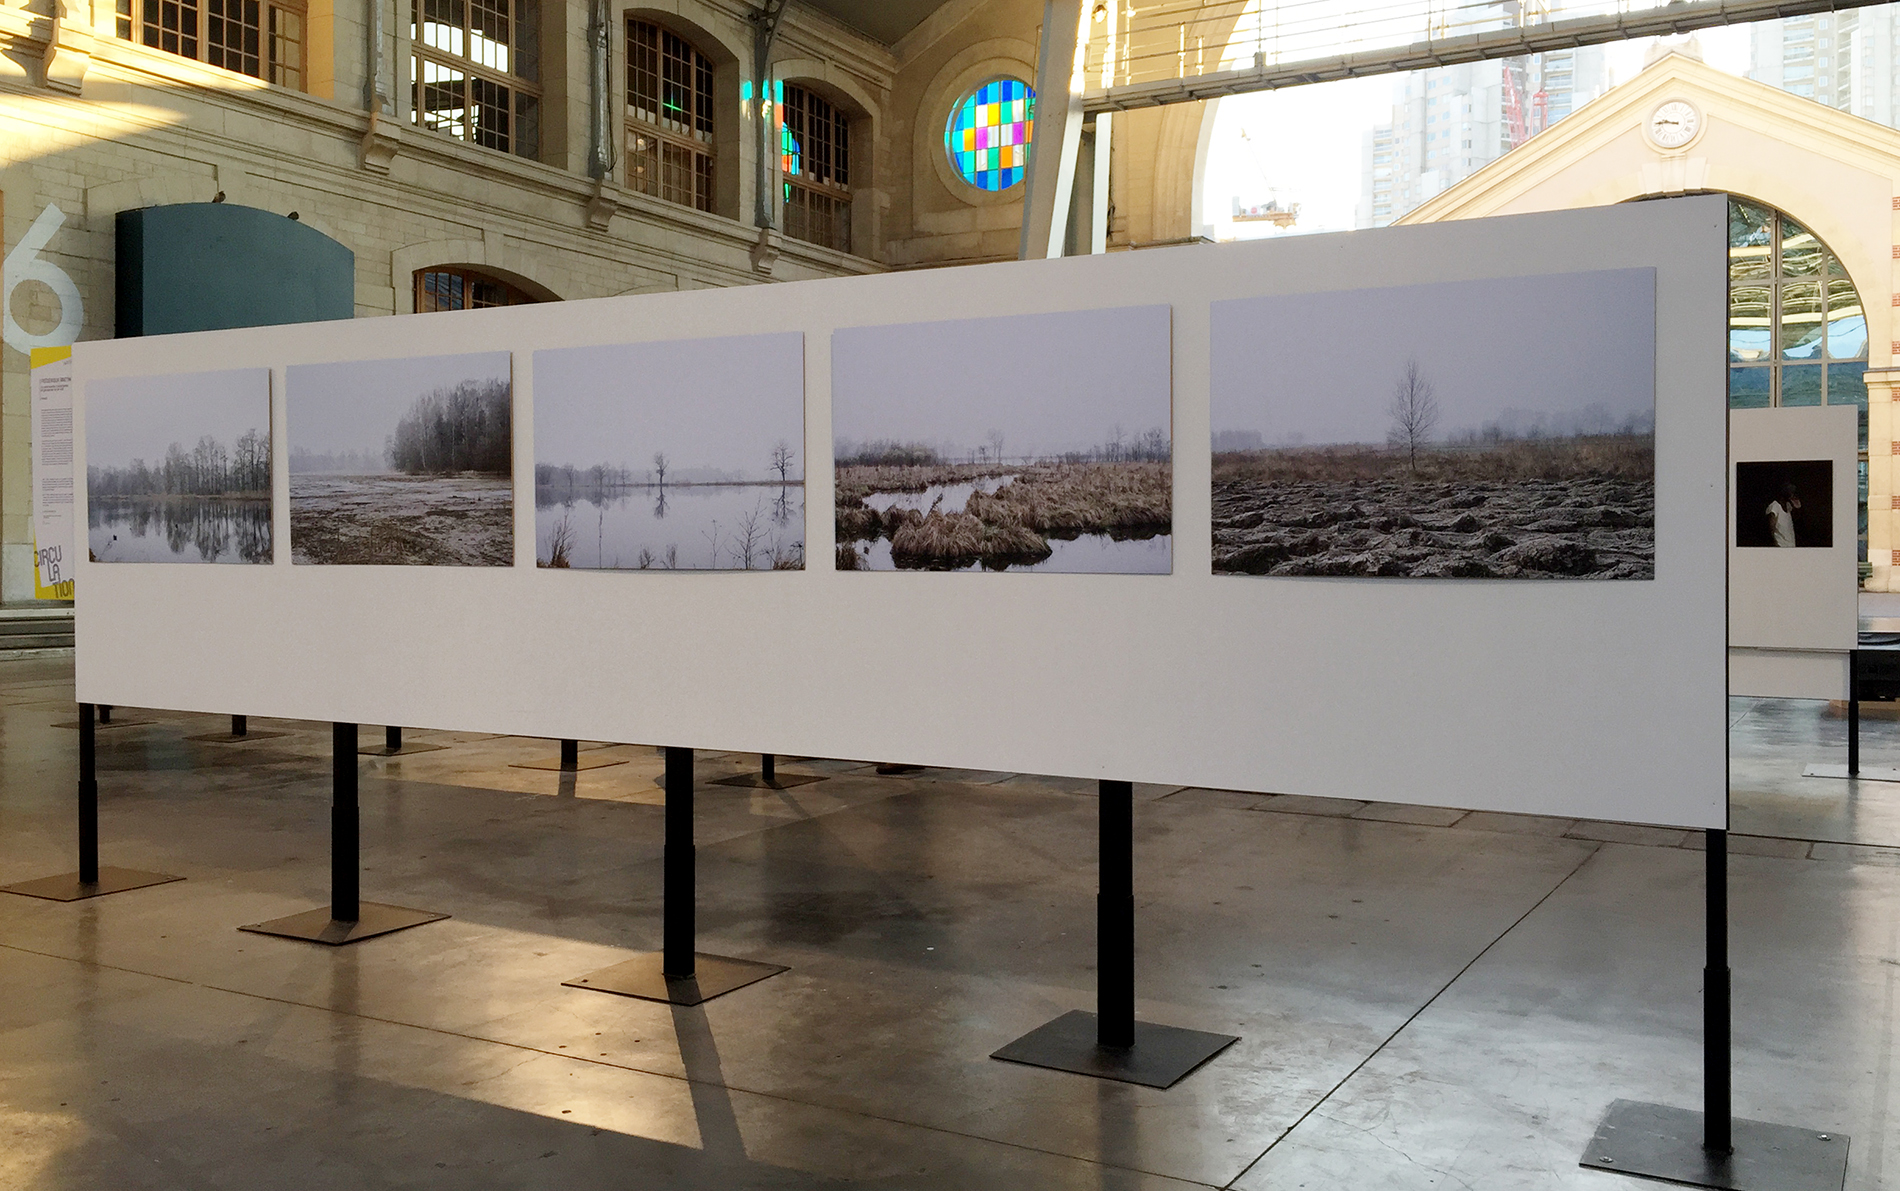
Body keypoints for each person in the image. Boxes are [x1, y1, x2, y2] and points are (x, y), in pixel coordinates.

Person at [1766, 481, 1800, 548]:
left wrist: (1797, 506)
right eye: (1790, 492)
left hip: (1791, 544)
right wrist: (1776, 545)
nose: (1792, 495)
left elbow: (1796, 519)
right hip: (1780, 545)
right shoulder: (1774, 506)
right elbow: (1771, 529)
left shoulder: (1788, 506)